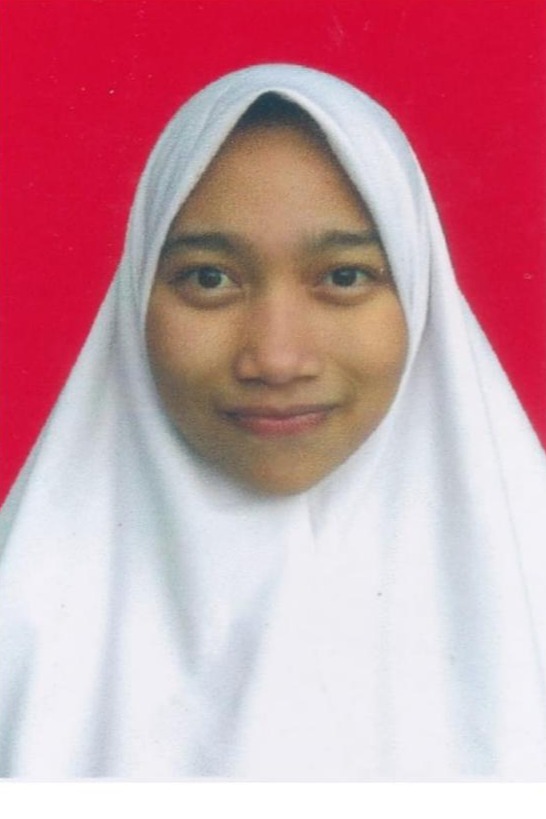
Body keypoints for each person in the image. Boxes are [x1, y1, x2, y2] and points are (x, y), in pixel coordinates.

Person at [0, 64, 545, 781]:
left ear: (420, 293)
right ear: (137, 298)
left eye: (344, 277)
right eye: (210, 278)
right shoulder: (20, 626)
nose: (277, 358)